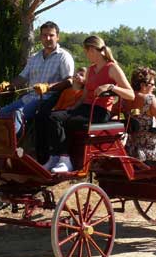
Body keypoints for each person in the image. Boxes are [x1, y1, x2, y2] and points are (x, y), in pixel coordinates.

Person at [43, 35, 134, 173]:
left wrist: (111, 87)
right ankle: (55, 157)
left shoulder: (112, 68)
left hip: (100, 111)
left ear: (92, 50)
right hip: (85, 108)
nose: (86, 55)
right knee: (53, 116)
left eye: (86, 51)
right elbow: (84, 96)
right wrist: (72, 108)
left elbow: (130, 94)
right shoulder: (91, 70)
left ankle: (65, 160)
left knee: (64, 120)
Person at [0, 21, 75, 153]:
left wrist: (48, 87)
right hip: (29, 98)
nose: (48, 38)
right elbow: (22, 78)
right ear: (40, 37)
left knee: (18, 114)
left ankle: (11, 149)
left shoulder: (64, 57)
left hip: (48, 99)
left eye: (51, 35)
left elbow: (69, 81)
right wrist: (9, 85)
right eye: (44, 35)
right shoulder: (34, 58)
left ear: (57, 37)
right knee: (3, 112)